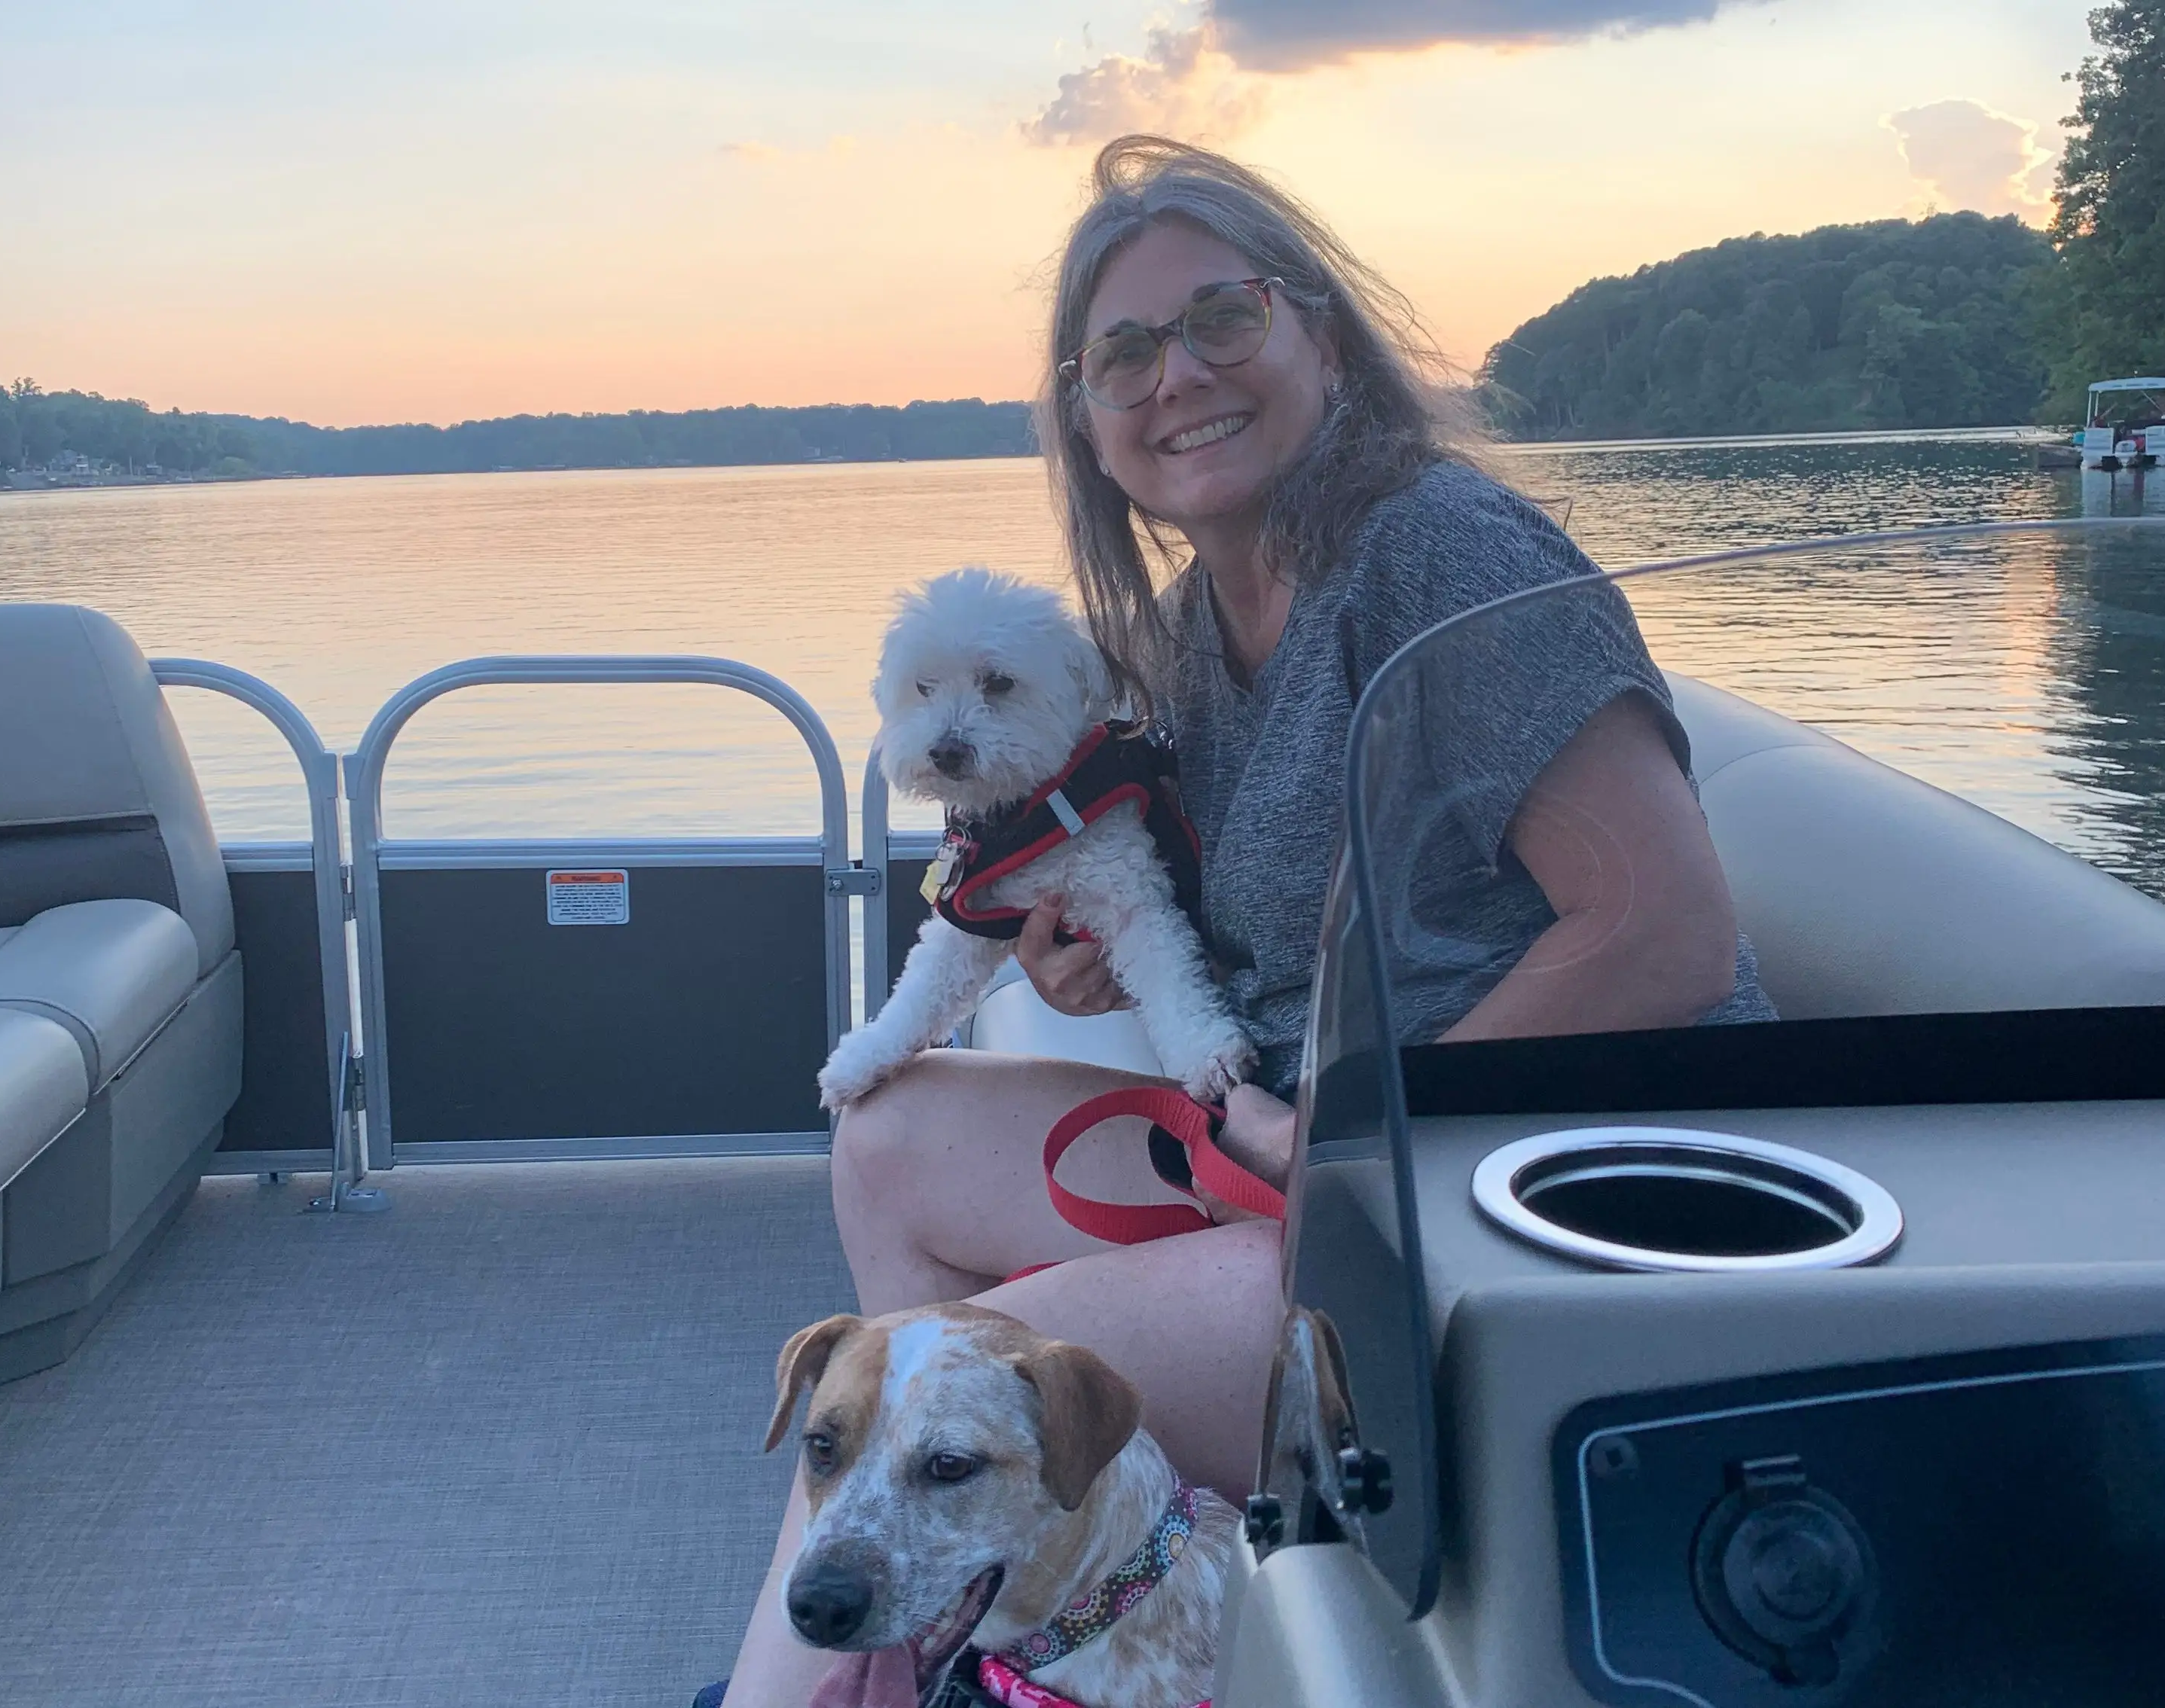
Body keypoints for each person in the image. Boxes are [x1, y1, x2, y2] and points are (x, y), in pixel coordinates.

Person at [715, 134, 1771, 1706]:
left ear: (1318, 336)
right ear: (1087, 414)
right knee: (888, 1137)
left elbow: (1665, 934)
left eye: (1222, 318)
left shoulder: (1442, 560)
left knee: (983, 1367)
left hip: (1490, 1192)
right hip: (1285, 1148)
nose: (1175, 376)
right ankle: (985, 1597)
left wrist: (1344, 1132)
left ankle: (862, 1648)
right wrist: (1068, 968)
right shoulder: (1201, 619)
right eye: (1123, 351)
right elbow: (1204, 914)